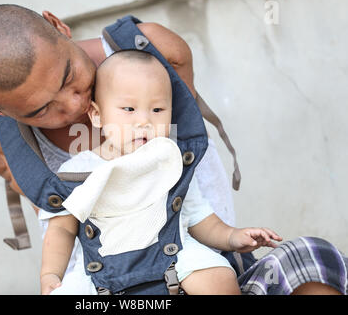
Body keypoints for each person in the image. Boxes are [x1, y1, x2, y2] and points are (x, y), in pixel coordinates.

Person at [0, 4, 346, 295]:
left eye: (69, 77)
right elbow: (48, 208)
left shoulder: (155, 54)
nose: (72, 106)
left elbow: (184, 158)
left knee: (311, 262)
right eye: (41, 110)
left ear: (59, 26)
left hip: (198, 260)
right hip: (109, 285)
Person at [40, 50, 283, 295]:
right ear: (97, 115)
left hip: (174, 255)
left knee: (218, 275)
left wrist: (232, 237)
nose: (144, 121)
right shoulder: (77, 170)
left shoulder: (170, 160)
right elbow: (61, 228)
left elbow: (199, 216)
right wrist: (50, 273)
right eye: (128, 108)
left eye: (157, 110)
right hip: (98, 271)